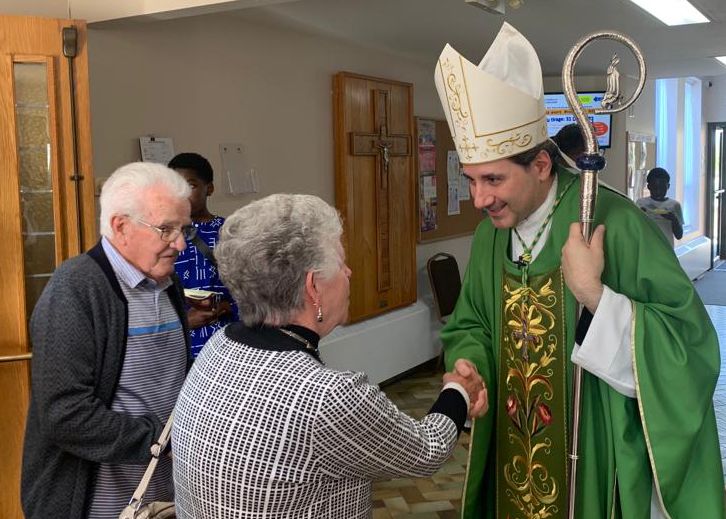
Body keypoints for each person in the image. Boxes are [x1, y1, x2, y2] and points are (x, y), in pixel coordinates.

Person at [434, 22, 723, 519]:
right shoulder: (490, 234)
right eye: (471, 179)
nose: (479, 199)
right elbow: (472, 323)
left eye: (494, 179)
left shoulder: (617, 223)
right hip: (512, 444)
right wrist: (470, 365)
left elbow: (690, 347)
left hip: (590, 445)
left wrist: (596, 295)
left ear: (542, 165)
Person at [171, 194, 489, 519]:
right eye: (340, 262)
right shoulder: (325, 396)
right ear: (313, 287)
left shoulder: (218, 347)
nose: (349, 272)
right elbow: (427, 451)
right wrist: (459, 390)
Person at [22, 162, 195, 519]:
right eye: (166, 229)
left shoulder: (167, 284)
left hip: (161, 499)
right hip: (96, 505)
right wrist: (164, 440)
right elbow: (65, 416)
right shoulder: (74, 289)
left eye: (183, 230)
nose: (179, 244)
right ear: (121, 226)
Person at [169, 152, 239, 357]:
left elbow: (254, 286)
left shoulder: (229, 232)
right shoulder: (161, 234)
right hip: (177, 343)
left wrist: (226, 307)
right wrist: (183, 321)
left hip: (223, 340)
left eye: (190, 185)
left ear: (209, 188)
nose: (181, 194)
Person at [636, 167, 684, 246]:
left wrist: (673, 219)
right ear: (649, 187)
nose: (658, 191)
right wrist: (641, 216)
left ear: (668, 186)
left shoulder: (675, 205)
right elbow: (635, 229)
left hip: (666, 249)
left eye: (662, 188)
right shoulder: (641, 203)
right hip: (646, 247)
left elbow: (679, 235)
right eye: (654, 188)